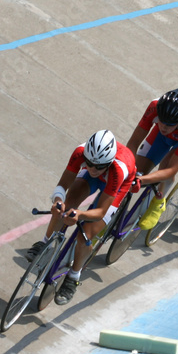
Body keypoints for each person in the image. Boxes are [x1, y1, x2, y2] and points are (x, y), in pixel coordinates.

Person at [26, 129, 137, 305]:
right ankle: (45, 243)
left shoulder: (117, 170)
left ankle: (73, 276)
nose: (93, 169)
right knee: (65, 206)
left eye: (98, 166)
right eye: (89, 163)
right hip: (96, 177)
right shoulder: (80, 153)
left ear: (108, 163)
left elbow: (100, 211)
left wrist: (80, 214)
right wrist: (58, 201)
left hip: (118, 184)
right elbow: (62, 185)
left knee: (85, 234)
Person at [125, 87, 178, 230]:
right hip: (166, 136)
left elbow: (170, 170)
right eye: (162, 121)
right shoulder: (154, 107)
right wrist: (131, 170)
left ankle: (159, 201)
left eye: (169, 124)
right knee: (136, 168)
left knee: (165, 166)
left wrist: (142, 180)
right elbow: (133, 143)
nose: (163, 127)